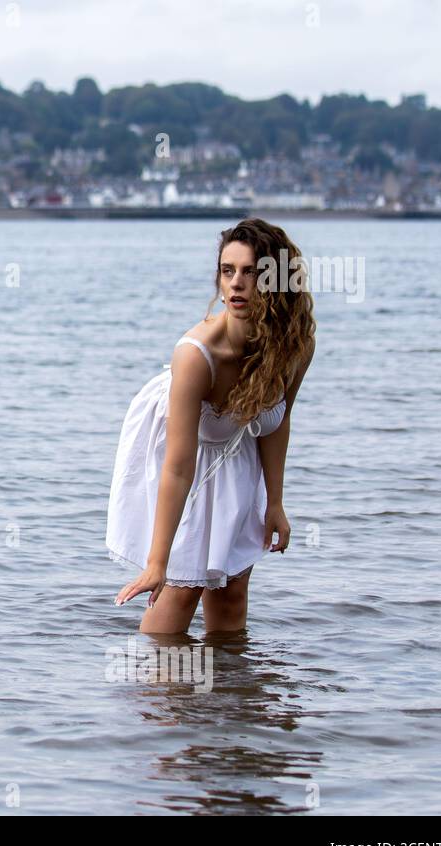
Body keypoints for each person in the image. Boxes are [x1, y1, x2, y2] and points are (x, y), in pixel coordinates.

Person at [106, 218, 317, 632]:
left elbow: (277, 422)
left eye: (250, 272)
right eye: (227, 271)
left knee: (232, 592)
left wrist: (275, 503)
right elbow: (178, 465)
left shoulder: (295, 346)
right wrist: (157, 562)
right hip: (182, 455)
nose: (235, 284)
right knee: (178, 596)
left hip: (239, 458)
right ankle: (156, 692)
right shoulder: (196, 355)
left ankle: (230, 693)